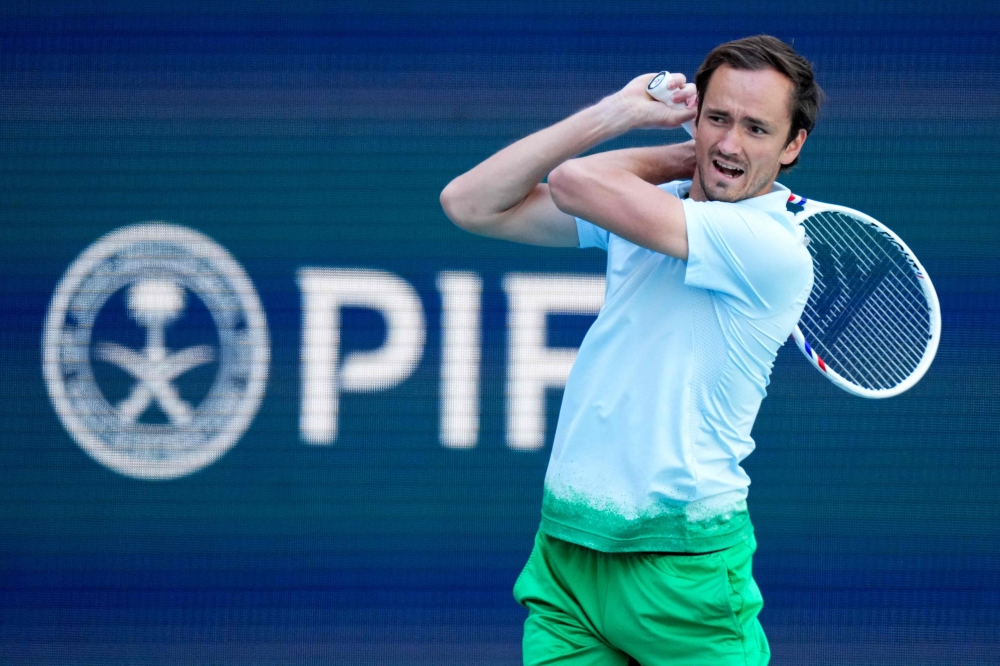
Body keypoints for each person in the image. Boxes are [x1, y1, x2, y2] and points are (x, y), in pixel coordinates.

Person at [440, 35, 824, 666]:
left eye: (757, 129)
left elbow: (574, 179)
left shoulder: (770, 245)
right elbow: (470, 203)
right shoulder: (656, 211)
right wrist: (647, 134)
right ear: (696, 116)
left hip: (685, 572)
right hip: (569, 558)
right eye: (718, 119)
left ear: (792, 146)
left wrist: (656, 139)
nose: (730, 143)